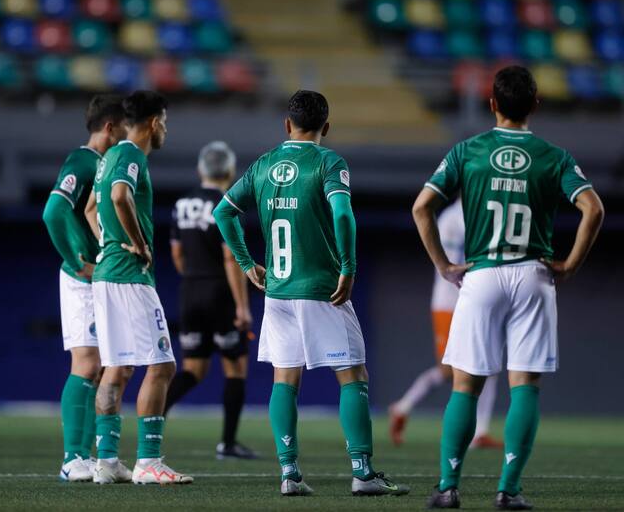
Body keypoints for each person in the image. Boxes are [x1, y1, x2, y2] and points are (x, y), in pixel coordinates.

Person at [415, 66, 604, 510]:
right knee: (524, 386)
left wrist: (443, 264)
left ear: (492, 104)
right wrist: (571, 264)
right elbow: (592, 209)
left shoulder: (468, 151)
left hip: (481, 274)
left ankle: (448, 487)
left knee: (465, 386)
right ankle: (509, 490)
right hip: (533, 274)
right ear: (535, 104)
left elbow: (422, 207)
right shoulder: (553, 155)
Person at [213, 90, 409, 498]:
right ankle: (363, 473)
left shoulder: (264, 165)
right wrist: (349, 268)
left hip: (278, 292)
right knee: (353, 376)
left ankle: (289, 473)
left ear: (286, 125)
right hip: (321, 289)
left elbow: (224, 212)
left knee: (285, 379)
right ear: (326, 127)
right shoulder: (328, 162)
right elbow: (342, 213)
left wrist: (248, 264)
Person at [84, 90, 193, 485]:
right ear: (152, 122)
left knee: (117, 367)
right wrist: (138, 243)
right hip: (130, 275)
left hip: (106, 273)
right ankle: (149, 461)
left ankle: (107, 461)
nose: (165, 129)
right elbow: (118, 196)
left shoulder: (108, 157)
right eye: (164, 121)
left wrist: (108, 242)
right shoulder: (130, 154)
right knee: (162, 364)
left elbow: (91, 209)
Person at [42, 95, 127, 482]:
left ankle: (90, 456)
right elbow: (53, 210)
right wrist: (78, 261)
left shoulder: (103, 163)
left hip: (101, 278)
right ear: (110, 127)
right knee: (88, 364)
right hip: (82, 280)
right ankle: (72, 457)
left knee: (104, 367)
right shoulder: (83, 162)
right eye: (124, 126)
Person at [164, 141, 256, 460]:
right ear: (230, 171)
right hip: (221, 293)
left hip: (190, 290)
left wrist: (193, 275)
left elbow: (176, 253)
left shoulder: (182, 204)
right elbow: (231, 259)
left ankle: (152, 419)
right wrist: (242, 307)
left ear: (200, 169)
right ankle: (228, 444)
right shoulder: (227, 205)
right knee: (235, 368)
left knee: (193, 368)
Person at [390, 199, 503, 450]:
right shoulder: (454, 218)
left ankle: (479, 432)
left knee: (489, 366)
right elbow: (459, 260)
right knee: (450, 370)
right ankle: (403, 407)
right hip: (451, 300)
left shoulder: (477, 211)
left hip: (472, 298)